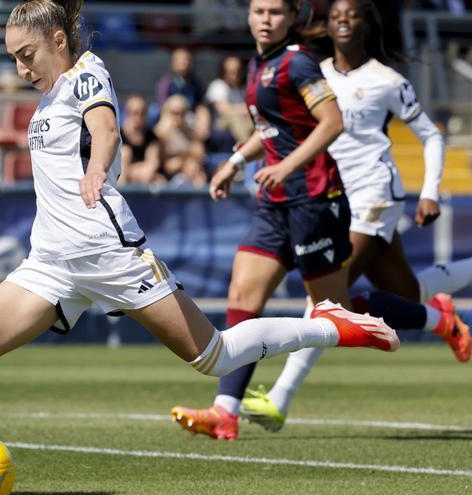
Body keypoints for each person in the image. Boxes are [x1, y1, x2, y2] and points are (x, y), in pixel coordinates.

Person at [0, 2, 399, 493]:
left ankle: (329, 323)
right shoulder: (50, 92)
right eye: (12, 56)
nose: (20, 65)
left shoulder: (87, 75)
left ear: (57, 40)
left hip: (109, 252)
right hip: (49, 263)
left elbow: (104, 130)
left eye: (27, 53)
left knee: (214, 356)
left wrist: (98, 168)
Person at [239, 0, 472, 433]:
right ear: (328, 24)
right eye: (336, 14)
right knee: (411, 292)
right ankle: (443, 319)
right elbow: (274, 124)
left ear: (367, 23)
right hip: (331, 196)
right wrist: (237, 161)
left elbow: (430, 136)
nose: (344, 19)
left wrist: (430, 190)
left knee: (327, 300)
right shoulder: (313, 70)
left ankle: (278, 400)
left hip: (375, 195)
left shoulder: (387, 80)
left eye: (353, 13)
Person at [169, 0, 360, 441]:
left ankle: (425, 315)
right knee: (243, 293)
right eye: (258, 11)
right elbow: (270, 127)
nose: (266, 18)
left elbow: (332, 123)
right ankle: (225, 411)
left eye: (276, 11)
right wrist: (235, 161)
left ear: (292, 18)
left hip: (313, 199)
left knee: (337, 313)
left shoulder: (298, 64)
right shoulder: (259, 65)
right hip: (276, 203)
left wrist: (287, 166)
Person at [118, 93, 162, 185]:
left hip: (145, 180)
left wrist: (129, 171)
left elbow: (152, 166)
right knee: (126, 152)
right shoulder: (118, 135)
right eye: (135, 113)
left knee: (160, 180)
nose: (139, 117)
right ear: (127, 113)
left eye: (143, 113)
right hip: (120, 181)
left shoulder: (151, 137)